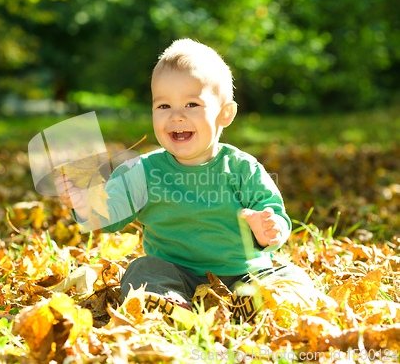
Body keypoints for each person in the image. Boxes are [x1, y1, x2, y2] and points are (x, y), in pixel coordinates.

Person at [55, 39, 313, 322]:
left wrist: (269, 228)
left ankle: (260, 303)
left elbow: (272, 211)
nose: (176, 116)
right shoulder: (142, 171)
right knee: (141, 270)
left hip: (244, 272)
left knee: (290, 275)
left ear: (224, 114)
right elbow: (111, 212)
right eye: (163, 106)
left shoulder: (242, 168)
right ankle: (171, 306)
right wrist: (84, 204)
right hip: (176, 274)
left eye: (192, 104)